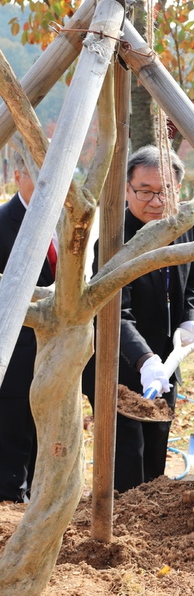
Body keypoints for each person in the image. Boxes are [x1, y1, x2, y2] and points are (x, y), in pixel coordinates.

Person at [83, 145, 194, 492]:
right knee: (127, 457)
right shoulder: (114, 238)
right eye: (144, 191)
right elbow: (113, 309)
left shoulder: (182, 225)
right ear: (126, 189)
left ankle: (151, 532)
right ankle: (119, 532)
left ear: (177, 189)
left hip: (166, 362)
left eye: (163, 191)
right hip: (119, 366)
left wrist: (190, 319)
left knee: (156, 451)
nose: (154, 201)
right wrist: (144, 359)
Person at [0, 155, 56, 502]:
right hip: (14, 354)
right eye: (38, 176)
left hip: (53, 353)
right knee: (11, 440)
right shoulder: (2, 223)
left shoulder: (65, 217)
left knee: (47, 439)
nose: (48, 186)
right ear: (18, 175)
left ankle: (41, 499)